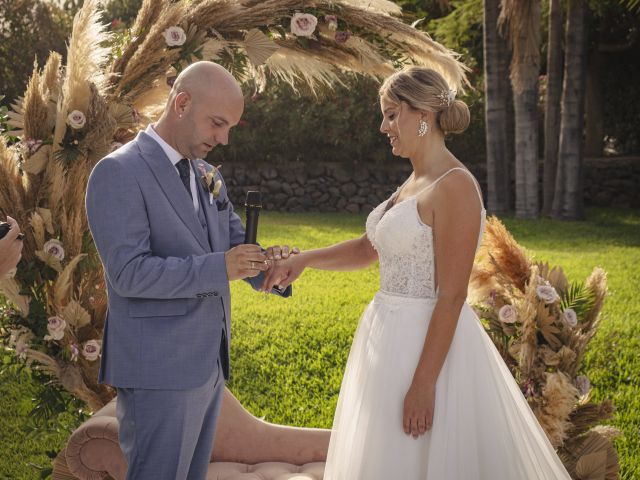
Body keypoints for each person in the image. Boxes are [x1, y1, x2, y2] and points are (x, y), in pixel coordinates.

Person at [262, 67, 572, 479]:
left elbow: (452, 296)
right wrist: (303, 260)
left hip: (427, 351)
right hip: (386, 341)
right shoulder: (412, 182)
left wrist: (424, 386)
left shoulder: (455, 185)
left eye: (391, 115)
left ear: (422, 113)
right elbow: (368, 247)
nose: (383, 126)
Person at [86, 61, 294, 480]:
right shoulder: (118, 172)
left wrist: (271, 269)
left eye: (230, 127)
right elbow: (129, 274)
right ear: (181, 103)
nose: (224, 138)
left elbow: (236, 249)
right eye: (218, 123)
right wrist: (221, 267)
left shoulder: (209, 175)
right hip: (158, 368)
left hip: (207, 366)